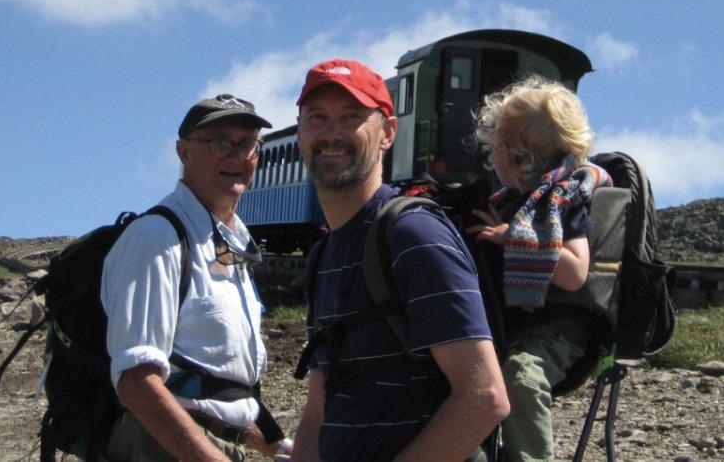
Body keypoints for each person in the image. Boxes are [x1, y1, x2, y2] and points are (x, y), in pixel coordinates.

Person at [290, 59, 510, 462]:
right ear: (300, 131)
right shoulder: (323, 255)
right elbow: (318, 408)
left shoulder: (413, 234)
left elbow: (483, 398)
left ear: (388, 133)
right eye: (317, 117)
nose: (332, 133)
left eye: (351, 117)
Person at [99, 94, 293, 461]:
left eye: (247, 144)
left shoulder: (230, 244)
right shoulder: (156, 239)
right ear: (184, 152)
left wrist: (281, 448)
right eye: (220, 143)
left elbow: (215, 392)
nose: (236, 156)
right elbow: (136, 382)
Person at [465, 75, 613, 462]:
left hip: (560, 330)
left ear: (519, 156)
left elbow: (574, 272)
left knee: (521, 377)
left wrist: (512, 238)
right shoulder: (514, 202)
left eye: (495, 149)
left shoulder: (562, 201)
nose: (490, 158)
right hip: (517, 325)